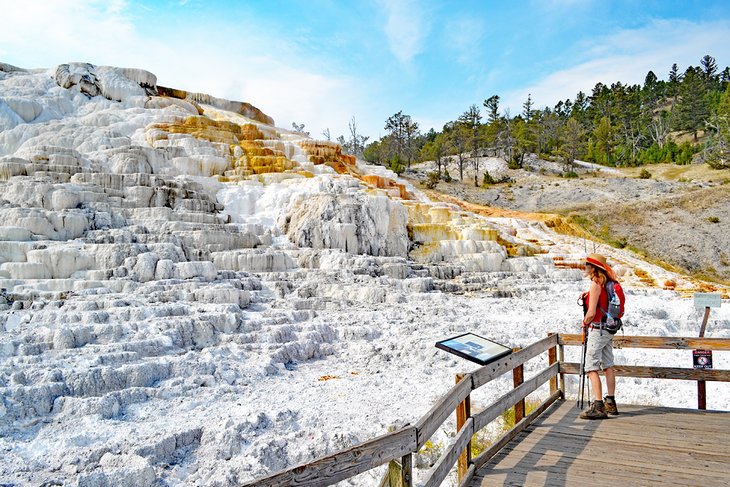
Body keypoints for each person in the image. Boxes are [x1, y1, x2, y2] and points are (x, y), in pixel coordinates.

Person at [579, 253, 620, 420]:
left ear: (594, 268)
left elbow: (591, 313)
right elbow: (601, 300)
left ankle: (598, 406)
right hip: (608, 330)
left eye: (588, 265)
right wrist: (587, 295)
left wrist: (584, 323)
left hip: (598, 330)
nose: (585, 267)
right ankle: (610, 402)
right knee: (608, 365)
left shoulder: (595, 284)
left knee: (591, 367)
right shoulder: (607, 283)